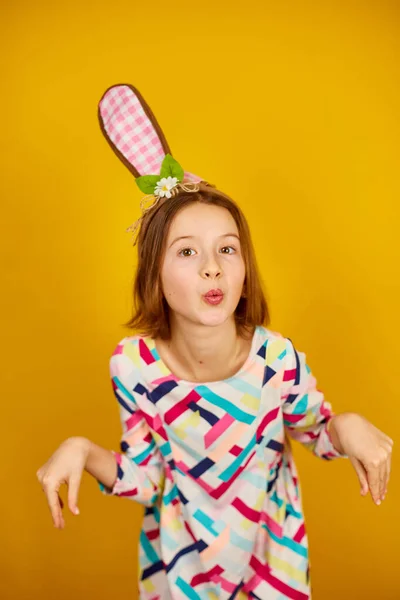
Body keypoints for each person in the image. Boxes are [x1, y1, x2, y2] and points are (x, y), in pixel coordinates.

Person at [37, 84, 393, 600]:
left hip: (272, 566)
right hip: (177, 569)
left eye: (227, 248)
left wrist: (347, 425)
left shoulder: (277, 360)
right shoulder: (133, 367)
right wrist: (82, 450)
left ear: (245, 271)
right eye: (186, 252)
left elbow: (317, 431)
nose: (211, 266)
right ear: (153, 277)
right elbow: (144, 479)